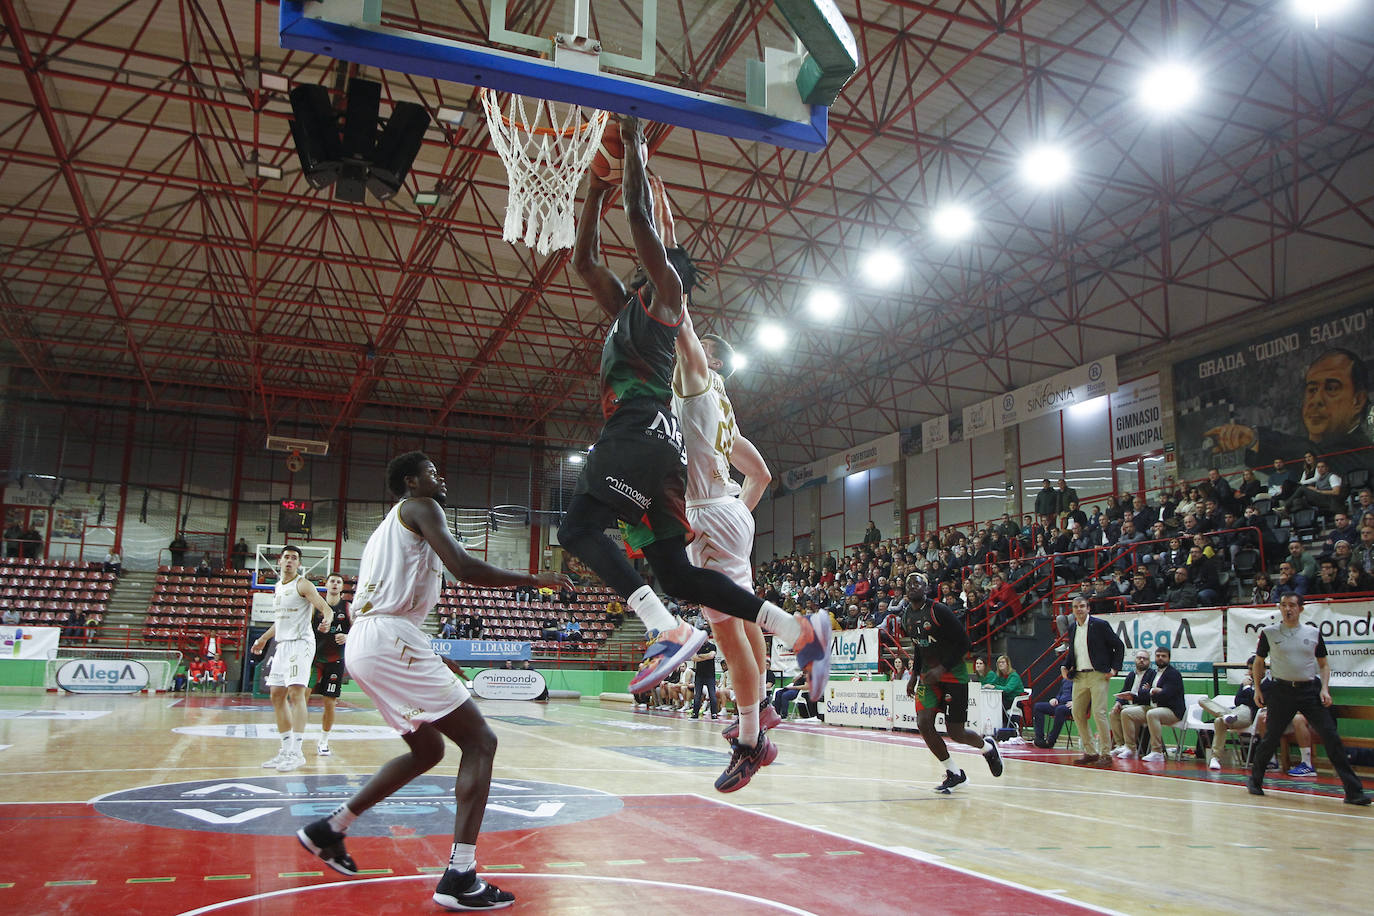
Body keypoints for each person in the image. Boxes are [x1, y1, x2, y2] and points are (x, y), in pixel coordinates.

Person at [560, 113, 829, 705]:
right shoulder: (627, 307)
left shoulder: (668, 300)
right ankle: (794, 629)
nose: (653, 254)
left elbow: (639, 222)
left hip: (638, 432)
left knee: (577, 527)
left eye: (660, 253)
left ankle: (669, 628)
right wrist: (594, 189)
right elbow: (583, 260)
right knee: (678, 574)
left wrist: (630, 146)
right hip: (662, 454)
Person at [295, 451, 574, 909]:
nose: (439, 477)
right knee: (481, 741)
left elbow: (393, 604)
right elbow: (465, 568)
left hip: (371, 642)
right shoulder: (421, 506)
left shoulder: (392, 529)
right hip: (387, 638)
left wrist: (433, 652)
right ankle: (460, 875)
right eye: (430, 471)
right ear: (410, 481)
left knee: (429, 749)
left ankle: (331, 826)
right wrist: (533, 579)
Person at [1246, 593, 1370, 805]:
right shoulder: (1269, 633)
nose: (1288, 609)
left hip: (1309, 691)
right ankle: (1255, 781)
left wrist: (1324, 689)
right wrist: (1258, 689)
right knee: (1271, 737)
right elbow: (1258, 662)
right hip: (1281, 690)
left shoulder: (1313, 633)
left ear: (1301, 608)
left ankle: (1354, 792)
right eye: (1283, 605)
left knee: (1331, 736)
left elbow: (1323, 664)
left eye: (1292, 605)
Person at [901, 572, 1004, 793]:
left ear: (926, 588)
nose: (912, 586)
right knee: (923, 723)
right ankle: (954, 772)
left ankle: (987, 748)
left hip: (953, 675)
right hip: (929, 678)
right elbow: (920, 647)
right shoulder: (906, 615)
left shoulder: (938, 610)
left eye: (917, 582)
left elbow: (964, 642)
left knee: (956, 732)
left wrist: (941, 668)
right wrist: (913, 675)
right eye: (908, 583)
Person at [1206, 348, 1374, 474]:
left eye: (1331, 388)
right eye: (1312, 389)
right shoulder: (1304, 450)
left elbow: (1315, 456)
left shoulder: (1361, 452)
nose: (1316, 400)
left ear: (1358, 400)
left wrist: (1256, 439)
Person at [251, 546, 335, 772]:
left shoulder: (303, 584)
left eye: (294, 558)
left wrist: (327, 619)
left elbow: (325, 607)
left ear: (299, 564)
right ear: (279, 562)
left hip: (301, 643)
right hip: (283, 644)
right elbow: (280, 623)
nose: (289, 561)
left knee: (296, 693)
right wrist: (262, 640)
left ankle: (297, 753)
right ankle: (286, 749)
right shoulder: (279, 587)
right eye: (286, 557)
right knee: (276, 695)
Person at [1063, 595, 1125, 765]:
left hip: (1098, 674)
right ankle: (1091, 752)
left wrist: (1114, 669)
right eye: (1075, 607)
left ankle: (1106, 754)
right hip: (1080, 676)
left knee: (1099, 713)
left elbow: (1118, 645)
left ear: (1088, 608)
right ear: (1073, 609)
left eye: (1082, 606)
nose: (1079, 609)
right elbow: (1073, 651)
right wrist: (1065, 666)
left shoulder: (1100, 625)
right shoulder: (1072, 627)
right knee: (1077, 712)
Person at [1120, 646, 1185, 763]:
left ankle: (1157, 752)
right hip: (1154, 707)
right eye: (1158, 656)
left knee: (1152, 714)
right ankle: (1130, 748)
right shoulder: (1154, 673)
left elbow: (1167, 694)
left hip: (1172, 711)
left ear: (1169, 658)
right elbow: (1142, 691)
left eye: (1163, 656)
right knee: (1126, 712)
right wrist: (1152, 691)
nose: (1160, 658)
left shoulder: (1173, 674)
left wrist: (1151, 691)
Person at [311, 573, 352, 756]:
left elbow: (360, 631)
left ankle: (324, 741)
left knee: (330, 703)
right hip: (313, 658)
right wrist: (316, 630)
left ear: (342, 587)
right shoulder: (316, 605)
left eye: (338, 582)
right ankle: (294, 740)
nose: (335, 584)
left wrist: (348, 637)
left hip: (335, 660)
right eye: (332, 581)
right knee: (300, 697)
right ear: (325, 584)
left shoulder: (348, 608)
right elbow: (304, 626)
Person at [1108, 649, 1154, 758]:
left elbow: (1149, 696)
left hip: (1144, 706)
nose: (1141, 660)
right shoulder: (1131, 675)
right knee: (1113, 713)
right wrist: (1118, 702)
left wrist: (1134, 698)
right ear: (1135, 660)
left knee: (1126, 711)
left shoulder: (1152, 675)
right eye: (1139, 658)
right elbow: (1123, 690)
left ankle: (1130, 746)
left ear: (1149, 662)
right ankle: (1120, 745)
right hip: (1130, 705)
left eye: (1145, 659)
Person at [1032, 667, 1075, 748]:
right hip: (1060, 703)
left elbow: (1086, 695)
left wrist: (1076, 703)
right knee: (1038, 707)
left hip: (1072, 706)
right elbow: (1060, 693)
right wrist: (1055, 699)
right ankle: (1039, 738)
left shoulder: (1081, 679)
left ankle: (1051, 740)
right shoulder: (1065, 679)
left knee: (1060, 710)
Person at [984, 654, 1025, 724]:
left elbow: (1008, 689)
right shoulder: (999, 675)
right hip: (1004, 698)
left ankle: (1001, 725)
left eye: (1003, 662)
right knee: (989, 704)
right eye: (999, 663)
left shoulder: (1014, 676)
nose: (1001, 664)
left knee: (996, 706)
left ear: (1008, 664)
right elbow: (991, 683)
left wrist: (994, 687)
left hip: (1014, 700)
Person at [690, 639, 719, 720]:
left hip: (710, 675)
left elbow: (711, 655)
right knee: (697, 695)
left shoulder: (712, 646)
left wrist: (700, 656)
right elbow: (693, 658)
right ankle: (695, 714)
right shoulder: (696, 647)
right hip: (699, 675)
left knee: (712, 695)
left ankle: (714, 714)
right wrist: (706, 656)